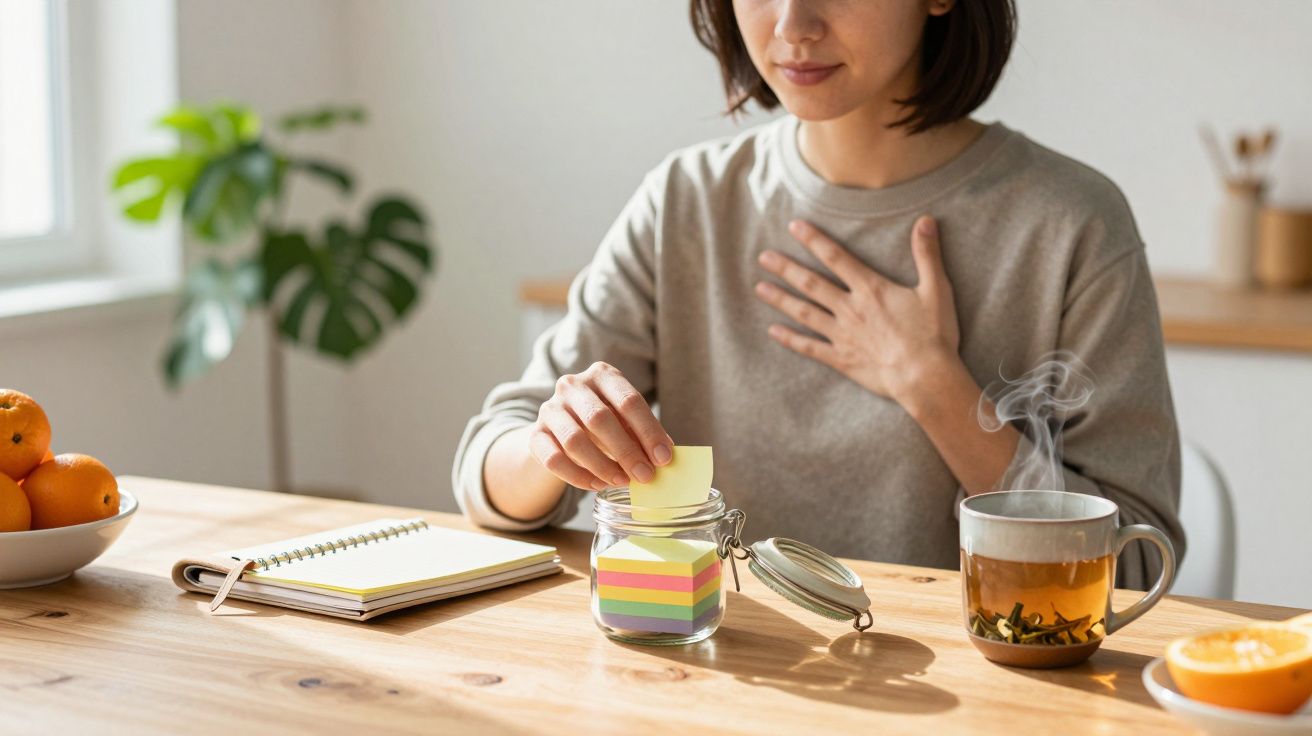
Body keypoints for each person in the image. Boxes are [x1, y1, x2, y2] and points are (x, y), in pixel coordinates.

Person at [453, 0, 1185, 589]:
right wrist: (553, 444)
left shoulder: (1071, 222)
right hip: (717, 672)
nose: (792, 26)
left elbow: (1137, 567)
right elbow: (485, 468)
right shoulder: (687, 202)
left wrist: (935, 389)